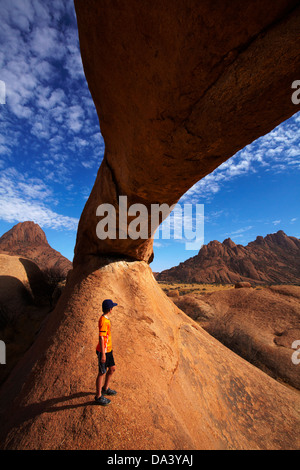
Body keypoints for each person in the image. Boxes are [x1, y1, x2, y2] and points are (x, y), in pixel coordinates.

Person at [95, 299, 118, 405]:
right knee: (102, 372)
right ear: (110, 309)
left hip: (108, 349)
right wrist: (103, 354)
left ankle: (105, 388)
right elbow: (101, 337)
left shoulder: (106, 319)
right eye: (112, 307)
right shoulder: (103, 321)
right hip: (103, 351)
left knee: (112, 369)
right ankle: (99, 396)